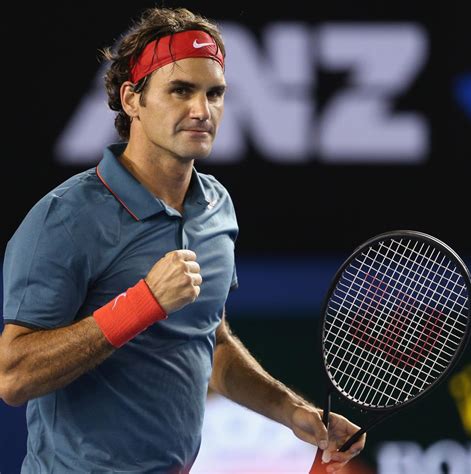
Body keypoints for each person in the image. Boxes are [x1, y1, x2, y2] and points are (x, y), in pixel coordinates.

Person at [0, 6, 366, 474]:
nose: (201, 111)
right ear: (132, 100)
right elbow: (13, 376)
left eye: (215, 93)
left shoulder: (216, 206)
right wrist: (142, 304)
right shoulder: (65, 218)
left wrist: (294, 413)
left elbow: (211, 343)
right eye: (180, 90)